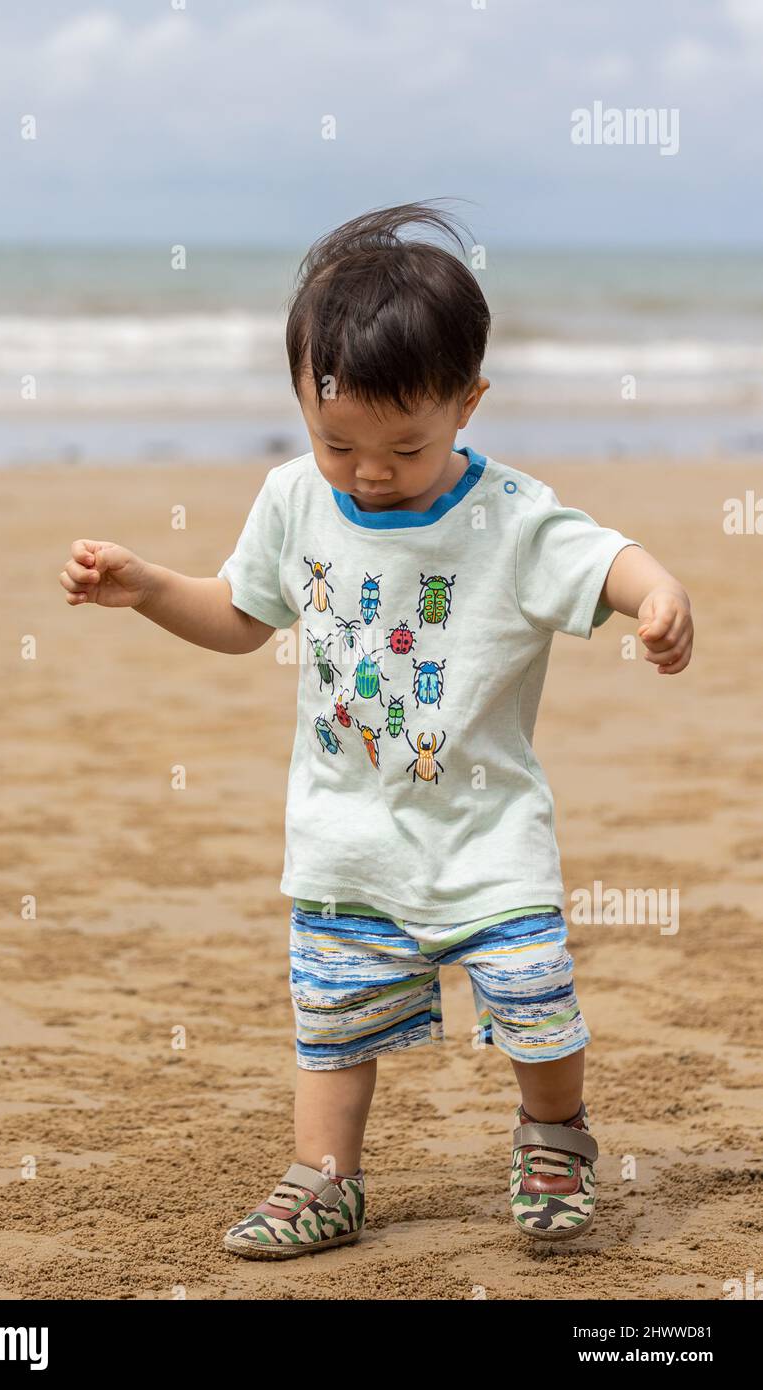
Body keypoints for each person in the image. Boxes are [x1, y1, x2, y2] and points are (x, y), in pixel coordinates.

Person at [59, 202, 694, 1257]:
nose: (366, 470)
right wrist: (148, 586)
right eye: (335, 440)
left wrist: (657, 594)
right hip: (346, 831)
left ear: (466, 403)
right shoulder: (290, 500)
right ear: (303, 405)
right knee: (333, 1015)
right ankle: (325, 1178)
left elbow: (604, 558)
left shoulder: (508, 516)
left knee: (533, 994)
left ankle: (551, 1136)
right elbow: (237, 613)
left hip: (487, 836)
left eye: (403, 444)